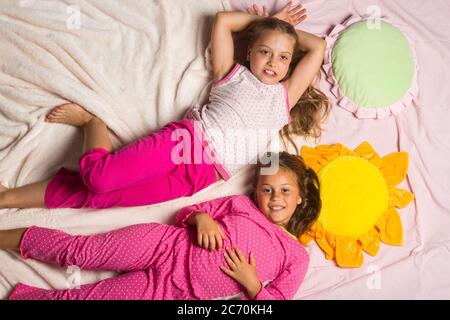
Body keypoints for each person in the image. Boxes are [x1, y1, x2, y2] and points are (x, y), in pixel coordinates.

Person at [0, 2, 330, 210]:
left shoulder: (284, 97)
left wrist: (282, 34)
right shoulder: (232, 74)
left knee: (99, 196)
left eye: (283, 57)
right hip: (185, 144)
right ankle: (92, 123)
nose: (273, 61)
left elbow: (318, 47)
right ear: (249, 53)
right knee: (100, 179)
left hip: (202, 176)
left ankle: (7, 198)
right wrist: (272, 26)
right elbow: (223, 20)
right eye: (264, 51)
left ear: (290, 64)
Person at [2, 152, 321, 300]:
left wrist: (253, 286)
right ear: (256, 192)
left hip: (171, 293)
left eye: (284, 191)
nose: (274, 197)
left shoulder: (295, 254)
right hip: (164, 245)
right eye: (266, 189)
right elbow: (190, 210)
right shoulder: (241, 205)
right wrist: (203, 218)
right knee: (77, 251)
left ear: (300, 199)